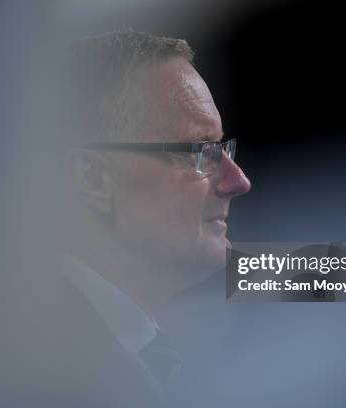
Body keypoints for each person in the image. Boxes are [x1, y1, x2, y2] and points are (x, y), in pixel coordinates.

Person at [57, 30, 251, 406]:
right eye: (198, 151)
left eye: (223, 148)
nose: (237, 181)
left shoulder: (142, 348)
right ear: (93, 179)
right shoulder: (17, 368)